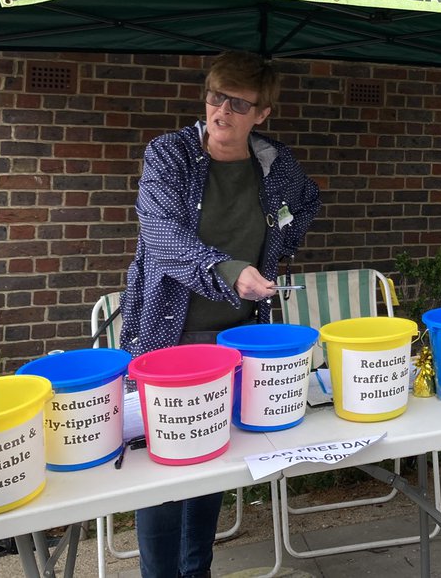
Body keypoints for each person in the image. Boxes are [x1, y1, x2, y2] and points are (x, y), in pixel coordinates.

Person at [120, 51, 320, 578]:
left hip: (236, 338)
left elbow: (306, 203)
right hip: (167, 333)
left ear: (262, 113)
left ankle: (197, 570)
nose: (221, 111)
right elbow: (160, 236)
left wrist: (277, 248)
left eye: (237, 103)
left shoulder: (277, 164)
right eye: (215, 97)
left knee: (211, 457)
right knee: (164, 469)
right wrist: (231, 270)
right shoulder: (169, 155)